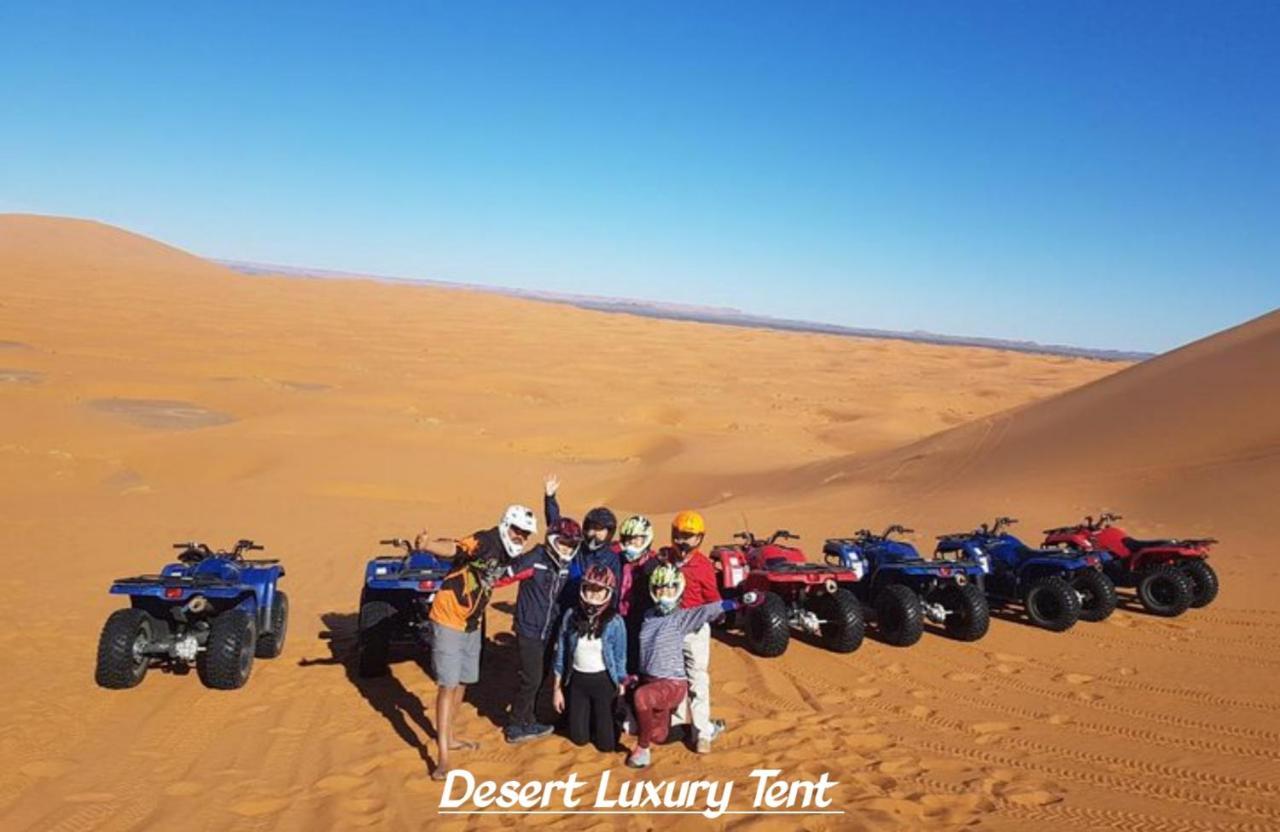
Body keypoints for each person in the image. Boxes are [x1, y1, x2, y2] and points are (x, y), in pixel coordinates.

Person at [428, 504, 536, 780]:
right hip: (449, 616)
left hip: (472, 623)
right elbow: (457, 548)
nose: (520, 537)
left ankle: (449, 736)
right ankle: (443, 757)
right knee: (447, 685)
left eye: (525, 534)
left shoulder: (510, 554)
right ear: (506, 525)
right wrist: (428, 544)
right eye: (517, 530)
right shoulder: (486, 541)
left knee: (463, 681)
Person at [627, 563, 758, 769]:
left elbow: (709, 609)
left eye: (669, 588)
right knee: (658, 735)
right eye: (659, 588)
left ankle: (642, 751)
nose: (664, 593)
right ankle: (708, 727)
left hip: (671, 684)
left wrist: (740, 601)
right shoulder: (648, 616)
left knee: (642, 697)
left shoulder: (682, 617)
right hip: (649, 680)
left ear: (678, 589)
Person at [498, 517, 583, 744]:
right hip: (529, 629)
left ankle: (529, 718)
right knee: (531, 679)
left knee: (541, 675)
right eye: (563, 543)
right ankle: (515, 725)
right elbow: (504, 576)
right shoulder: (535, 560)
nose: (566, 548)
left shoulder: (563, 567)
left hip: (549, 629)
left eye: (571, 545)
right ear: (553, 540)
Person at [659, 510, 722, 753]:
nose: (682, 541)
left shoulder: (703, 565)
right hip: (670, 628)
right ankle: (674, 726)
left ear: (699, 539)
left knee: (697, 679)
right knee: (672, 678)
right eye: (678, 535)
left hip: (694, 630)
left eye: (688, 536)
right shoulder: (665, 557)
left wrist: (714, 614)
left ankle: (701, 733)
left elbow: (713, 601)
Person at [551, 564, 628, 753]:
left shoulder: (615, 622)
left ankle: (607, 721)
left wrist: (621, 688)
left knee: (606, 745)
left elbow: (620, 657)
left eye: (599, 591)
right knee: (579, 739)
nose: (593, 595)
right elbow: (561, 654)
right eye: (589, 589)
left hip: (603, 683)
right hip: (577, 681)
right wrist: (557, 689)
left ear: (608, 593)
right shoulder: (571, 616)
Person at [544, 474, 622, 591]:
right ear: (586, 528)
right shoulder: (577, 548)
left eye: (601, 529)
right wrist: (550, 498)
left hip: (593, 603)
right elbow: (557, 527)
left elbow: (615, 589)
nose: (596, 533)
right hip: (566, 602)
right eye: (593, 528)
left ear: (609, 533)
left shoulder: (612, 559)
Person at [616, 514, 658, 673]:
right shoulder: (617, 561)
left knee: (638, 662)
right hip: (618, 619)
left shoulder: (654, 566)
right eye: (627, 539)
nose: (631, 543)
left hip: (642, 621)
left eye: (636, 539)